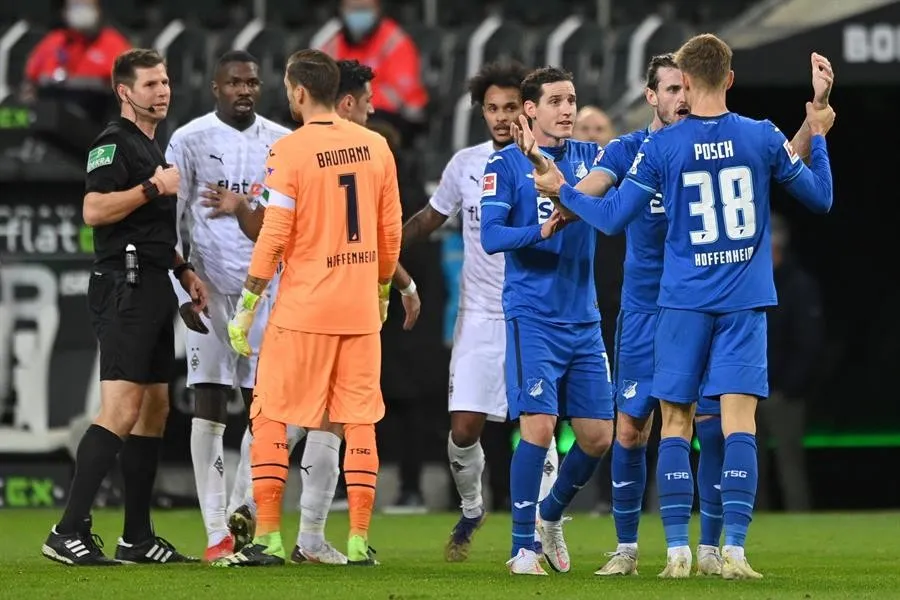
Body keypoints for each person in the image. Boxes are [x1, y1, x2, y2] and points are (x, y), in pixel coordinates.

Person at [531, 34, 835, 579]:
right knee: (666, 429)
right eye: (665, 89)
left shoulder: (669, 150)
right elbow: (811, 190)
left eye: (680, 86)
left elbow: (610, 213)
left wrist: (562, 193)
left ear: (689, 86)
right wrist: (818, 126)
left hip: (683, 304)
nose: (675, 96)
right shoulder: (674, 145)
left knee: (693, 426)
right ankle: (676, 549)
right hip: (694, 305)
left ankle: (695, 548)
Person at [207, 58, 412, 563]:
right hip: (360, 311)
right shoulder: (377, 147)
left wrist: (248, 302)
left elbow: (275, 232)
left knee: (272, 414)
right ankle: (359, 540)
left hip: (303, 311)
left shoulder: (289, 149)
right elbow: (390, 232)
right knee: (357, 421)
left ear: (298, 93)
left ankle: (269, 539)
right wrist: (382, 290)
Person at [165, 50, 343, 563]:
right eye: (234, 83)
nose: (245, 90)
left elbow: (287, 224)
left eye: (253, 82)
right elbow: (170, 224)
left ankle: (246, 511)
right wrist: (182, 290)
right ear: (215, 87)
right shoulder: (190, 139)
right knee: (211, 403)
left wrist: (243, 208)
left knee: (276, 409)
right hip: (211, 291)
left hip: (270, 293)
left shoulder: (283, 142)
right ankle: (217, 530)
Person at [41, 48, 207, 566]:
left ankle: (137, 536)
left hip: (154, 281)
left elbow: (149, 229)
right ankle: (66, 531)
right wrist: (152, 186)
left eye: (165, 82)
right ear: (123, 92)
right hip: (124, 285)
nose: (162, 91)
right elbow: (94, 210)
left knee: (154, 409)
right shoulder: (113, 144)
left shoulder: (150, 146)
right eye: (150, 84)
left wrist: (182, 269)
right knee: (121, 409)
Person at [395, 60, 560, 560]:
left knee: (539, 427)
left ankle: (541, 530)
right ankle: (471, 508)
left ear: (527, 110)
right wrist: (383, 251)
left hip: (534, 312)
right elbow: (430, 218)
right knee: (465, 428)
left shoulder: (549, 165)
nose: (501, 117)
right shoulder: (465, 164)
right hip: (480, 316)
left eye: (511, 107)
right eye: (492, 108)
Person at [480, 67, 614, 576]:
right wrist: (541, 229)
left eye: (572, 100)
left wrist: (570, 203)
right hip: (532, 314)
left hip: (583, 318)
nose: (567, 109)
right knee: (537, 426)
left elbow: (608, 204)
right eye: (556, 100)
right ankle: (521, 549)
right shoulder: (504, 165)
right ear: (530, 109)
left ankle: (550, 515)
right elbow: (492, 236)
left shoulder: (590, 159)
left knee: (598, 437)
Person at [757, 213, 821, 512]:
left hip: (784, 396)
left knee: (790, 468)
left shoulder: (798, 285)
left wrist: (788, 387)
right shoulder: (748, 282)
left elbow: (807, 343)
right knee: (750, 471)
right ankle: (748, 537)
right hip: (749, 392)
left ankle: (801, 528)